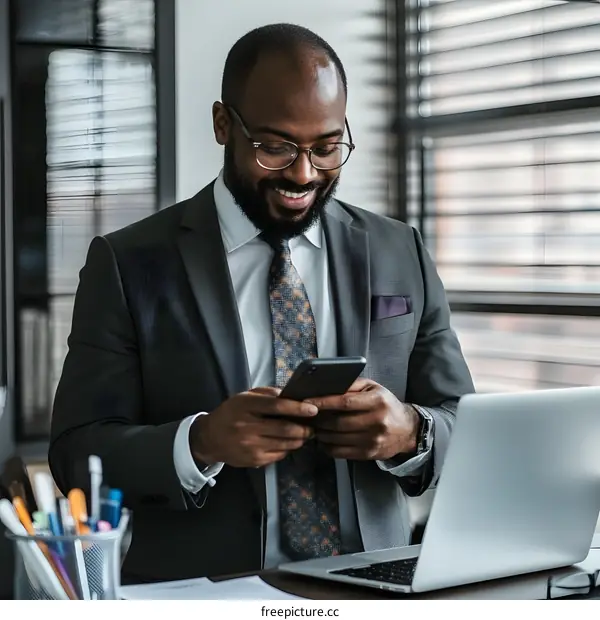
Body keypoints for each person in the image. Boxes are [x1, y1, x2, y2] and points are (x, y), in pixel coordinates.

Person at [49, 23, 474, 584]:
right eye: (275, 148)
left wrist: (410, 433)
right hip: (205, 592)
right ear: (224, 125)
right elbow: (77, 454)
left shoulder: (402, 250)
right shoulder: (128, 263)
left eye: (326, 148)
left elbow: (465, 426)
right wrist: (199, 443)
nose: (303, 174)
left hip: (376, 586)